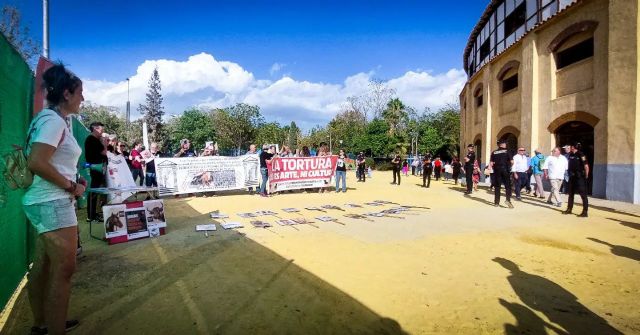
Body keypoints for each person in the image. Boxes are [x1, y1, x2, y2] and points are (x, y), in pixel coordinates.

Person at [23, 64, 85, 335]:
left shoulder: (49, 119)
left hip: (43, 201)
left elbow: (45, 160)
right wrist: (71, 186)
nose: (83, 98)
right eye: (80, 93)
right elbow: (38, 162)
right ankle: (53, 328)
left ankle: (42, 324)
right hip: (53, 201)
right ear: (67, 93)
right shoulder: (53, 121)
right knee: (63, 271)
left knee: (45, 265)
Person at [84, 122, 107, 222]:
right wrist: (104, 142)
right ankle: (91, 215)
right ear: (95, 129)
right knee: (94, 191)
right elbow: (104, 152)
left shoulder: (94, 140)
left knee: (96, 191)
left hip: (98, 167)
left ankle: (93, 213)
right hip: (96, 167)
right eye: (101, 130)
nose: (102, 132)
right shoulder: (92, 139)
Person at [563, 142, 590, 217]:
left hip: (580, 177)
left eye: (570, 146)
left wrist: (586, 176)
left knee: (583, 195)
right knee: (570, 194)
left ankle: (585, 212)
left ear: (573, 147)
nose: (569, 148)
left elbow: (586, 166)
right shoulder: (571, 155)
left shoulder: (581, 154)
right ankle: (569, 209)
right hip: (572, 177)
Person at [490, 139, 514, 208]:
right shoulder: (507, 151)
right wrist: (510, 167)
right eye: (505, 143)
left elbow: (491, 163)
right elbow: (512, 162)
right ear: (503, 144)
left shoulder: (494, 152)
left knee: (497, 186)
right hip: (505, 170)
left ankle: (496, 202)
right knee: (508, 186)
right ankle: (508, 200)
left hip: (497, 171)